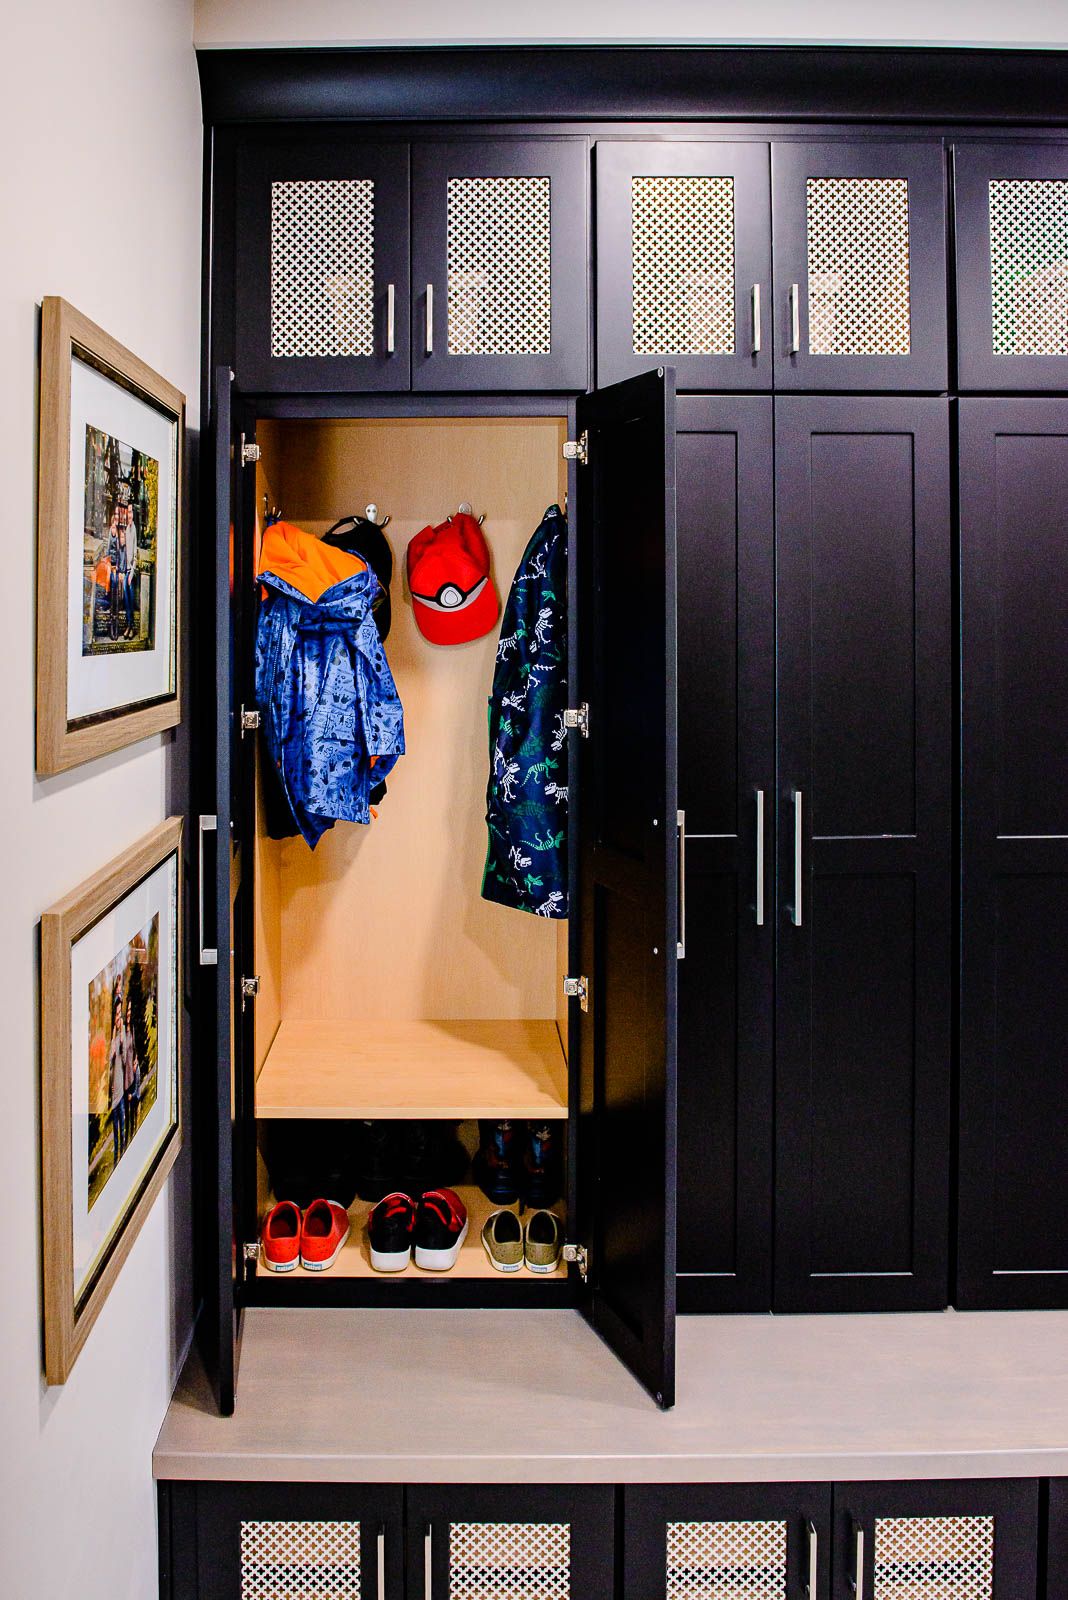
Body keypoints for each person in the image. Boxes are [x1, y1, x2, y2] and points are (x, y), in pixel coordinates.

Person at [108, 996, 126, 1166]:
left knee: (122, 1122)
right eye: (117, 1013)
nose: (118, 1018)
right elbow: (109, 1062)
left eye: (120, 1014)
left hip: (121, 1086)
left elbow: (125, 1057)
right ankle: (117, 1157)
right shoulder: (113, 1038)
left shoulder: (122, 1035)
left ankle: (124, 1148)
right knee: (115, 1125)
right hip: (114, 1088)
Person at [122, 997, 139, 1144]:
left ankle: (134, 1134)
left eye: (129, 1011)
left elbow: (135, 1050)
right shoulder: (123, 1032)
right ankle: (128, 1139)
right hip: (126, 1078)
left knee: (133, 1109)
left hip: (133, 1075)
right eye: (126, 1011)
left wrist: (136, 1061)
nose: (128, 1014)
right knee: (127, 1112)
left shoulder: (132, 1031)